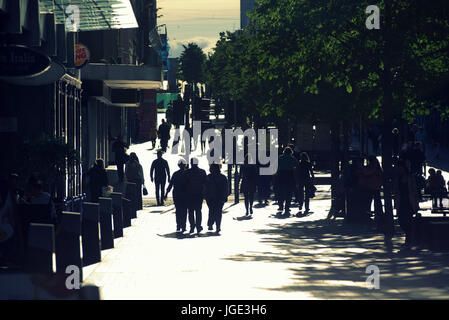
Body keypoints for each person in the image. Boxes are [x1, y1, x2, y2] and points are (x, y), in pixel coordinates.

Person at [395, 159, 418, 248]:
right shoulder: (398, 178)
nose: (398, 169)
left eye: (399, 167)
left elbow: (414, 191)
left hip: (409, 202)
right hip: (401, 202)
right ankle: (409, 239)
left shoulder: (410, 177)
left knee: (408, 221)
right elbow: (397, 191)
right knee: (401, 221)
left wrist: (416, 204)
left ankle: (408, 240)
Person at [184, 158, 207, 234]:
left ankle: (192, 226)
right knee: (198, 211)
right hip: (199, 194)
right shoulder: (202, 172)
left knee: (190, 211)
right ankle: (198, 226)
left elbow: (184, 184)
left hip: (189, 194)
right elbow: (205, 183)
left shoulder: (187, 172)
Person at [165, 159, 188, 232]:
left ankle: (178, 225)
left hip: (177, 194)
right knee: (184, 210)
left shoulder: (175, 174)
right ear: (185, 165)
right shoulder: (187, 174)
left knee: (178, 210)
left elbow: (171, 184)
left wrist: (166, 193)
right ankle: (183, 226)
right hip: (185, 194)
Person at [205, 163, 229, 234]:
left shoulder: (208, 177)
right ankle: (218, 226)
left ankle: (211, 223)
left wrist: (205, 195)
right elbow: (226, 188)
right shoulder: (223, 177)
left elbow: (205, 187)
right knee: (218, 212)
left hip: (210, 197)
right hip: (220, 197)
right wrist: (225, 196)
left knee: (212, 210)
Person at [276, 147, 299, 217]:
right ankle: (287, 207)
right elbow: (297, 167)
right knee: (289, 192)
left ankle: (280, 205)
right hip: (290, 175)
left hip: (281, 175)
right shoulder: (292, 158)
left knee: (280, 191)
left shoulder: (279, 158)